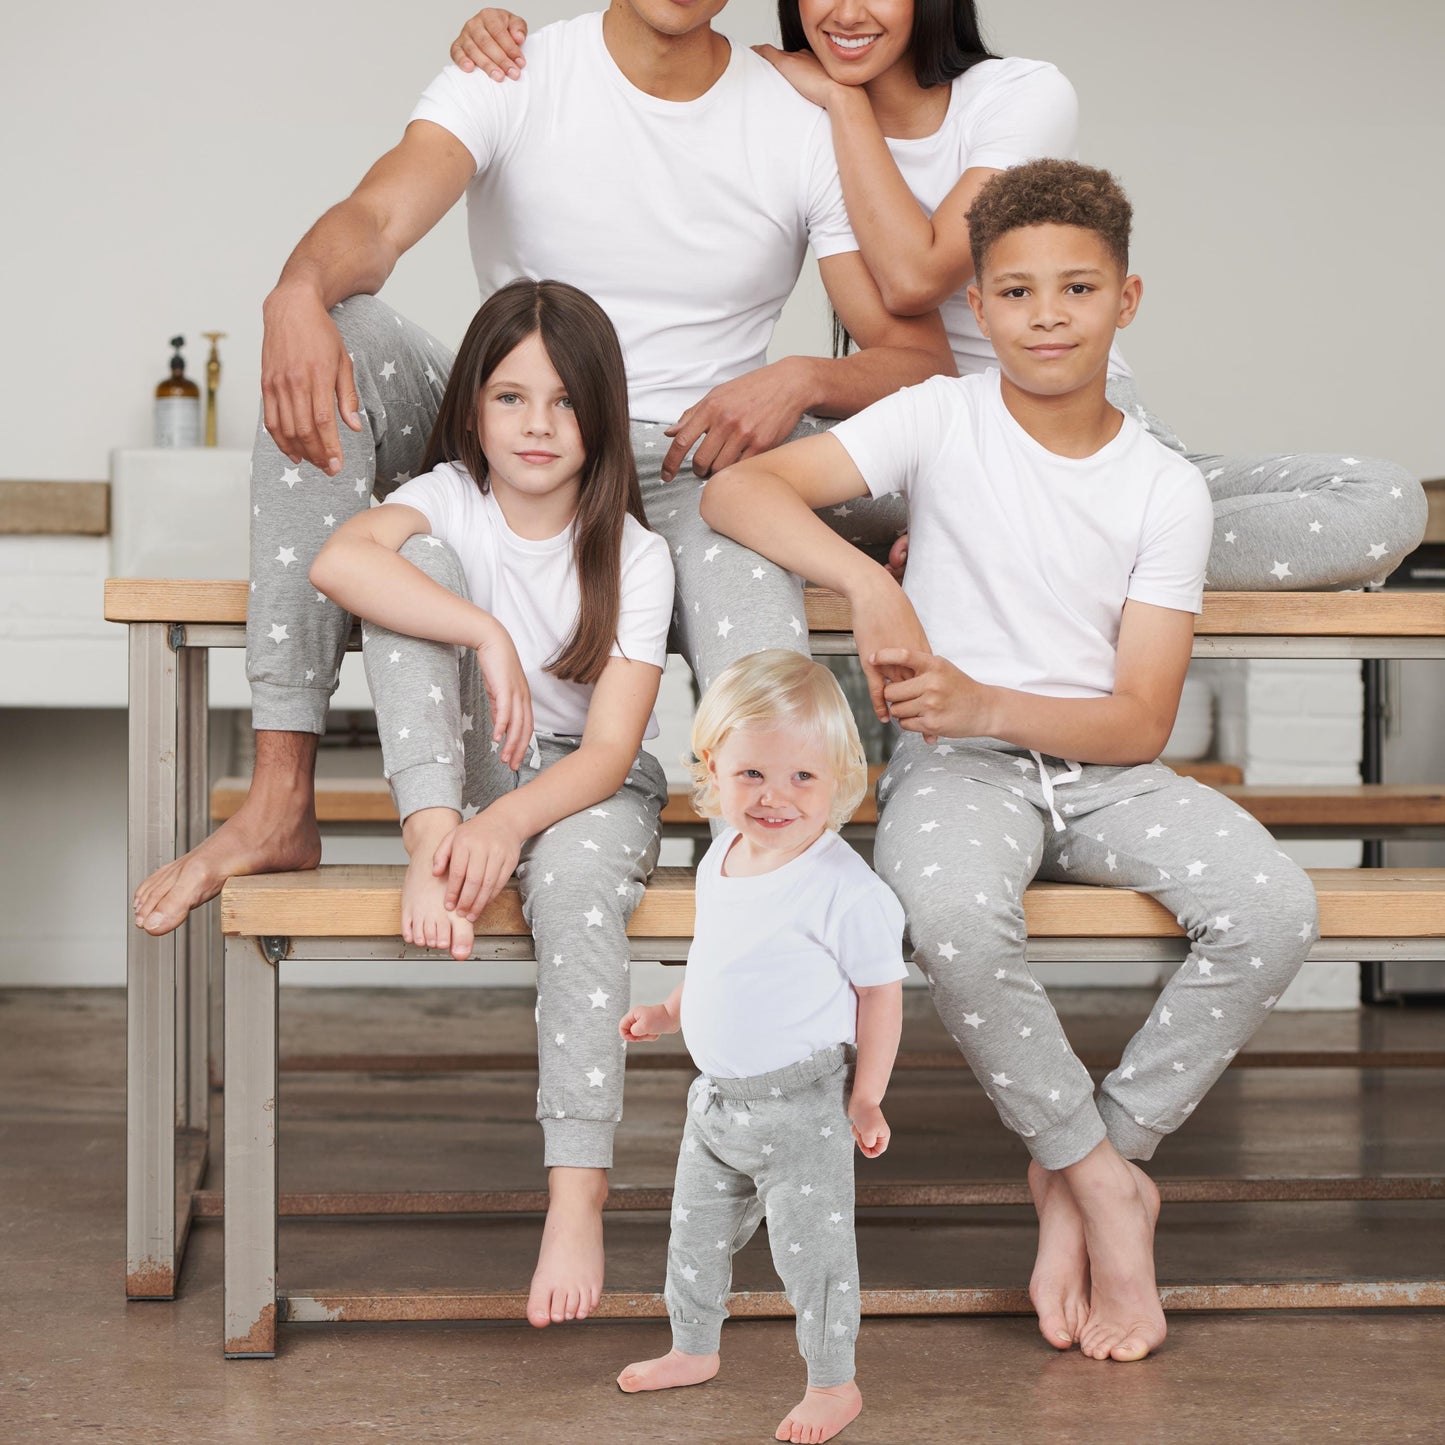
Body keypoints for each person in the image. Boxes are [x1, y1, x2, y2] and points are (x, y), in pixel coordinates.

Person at [131, 0, 952, 932]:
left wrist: (798, 375)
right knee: (343, 325)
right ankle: (280, 796)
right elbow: (378, 214)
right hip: (510, 433)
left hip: (698, 461)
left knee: (756, 552)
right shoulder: (514, 70)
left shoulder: (794, 114)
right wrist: (295, 291)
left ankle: (776, 896)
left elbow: (918, 361)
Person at [699, 160, 1320, 1363]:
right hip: (959, 771)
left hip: (1103, 770)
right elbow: (738, 487)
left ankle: (1096, 1165)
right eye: (1017, 291)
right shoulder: (938, 418)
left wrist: (984, 690)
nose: (1045, 315)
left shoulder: (1161, 488)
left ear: (1125, 300)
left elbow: (1138, 718)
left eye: (1076, 288)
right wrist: (866, 579)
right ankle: (1100, 1186)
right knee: (945, 915)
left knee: (1271, 903)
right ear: (976, 308)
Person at [452, 0, 1426, 588]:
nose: (844, 13)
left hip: (1063, 420)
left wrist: (838, 101)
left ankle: (1047, 547)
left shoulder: (1017, 95)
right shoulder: (769, 105)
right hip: (911, 441)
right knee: (751, 495)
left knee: (1380, 502)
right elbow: (635, 64)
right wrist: (499, 32)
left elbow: (920, 270)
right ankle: (1009, 546)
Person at [309, 278, 674, 1327]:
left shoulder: (635, 556)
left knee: (570, 890)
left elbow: (608, 751)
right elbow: (339, 559)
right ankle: (425, 839)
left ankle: (577, 1187)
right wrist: (484, 632)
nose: (537, 425)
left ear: (600, 416)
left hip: (583, 786)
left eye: (564, 402)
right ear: (472, 405)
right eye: (510, 398)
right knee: (406, 563)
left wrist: (510, 821)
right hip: (466, 772)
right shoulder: (450, 500)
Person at [615, 649, 904, 1445]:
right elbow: (719, 958)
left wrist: (867, 1092)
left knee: (812, 1253)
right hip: (714, 1103)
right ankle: (692, 1345)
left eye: (802, 778)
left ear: (840, 774)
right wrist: (671, 1012)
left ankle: (831, 1381)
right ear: (713, 765)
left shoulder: (845, 889)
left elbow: (880, 994)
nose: (774, 797)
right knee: (693, 1233)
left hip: (801, 1105)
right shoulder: (722, 856)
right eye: (751, 775)